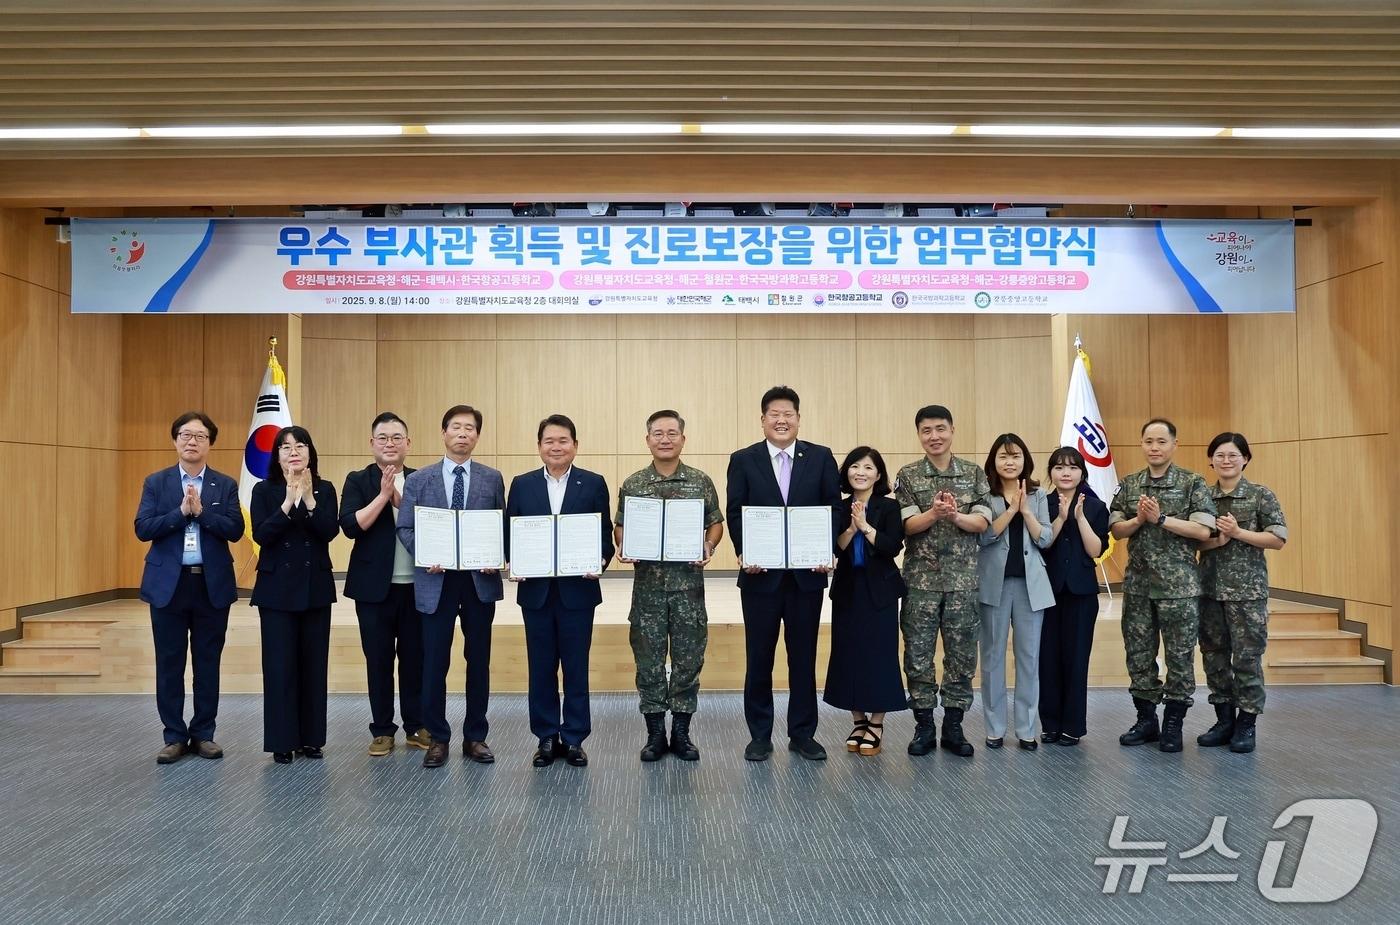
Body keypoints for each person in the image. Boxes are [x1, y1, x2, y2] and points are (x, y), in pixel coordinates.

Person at [725, 385, 840, 762]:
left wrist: (826, 551)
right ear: (762, 421)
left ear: (798, 419)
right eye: (773, 413)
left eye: (788, 413)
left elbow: (833, 510)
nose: (781, 419)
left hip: (807, 577)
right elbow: (736, 511)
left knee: (803, 657)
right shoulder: (744, 459)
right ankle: (759, 735)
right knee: (759, 656)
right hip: (760, 577)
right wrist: (745, 552)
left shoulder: (820, 457)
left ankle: (803, 733)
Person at [396, 405, 506, 769]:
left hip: (479, 581)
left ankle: (476, 735)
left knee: (478, 662)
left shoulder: (492, 479)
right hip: (435, 578)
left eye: (470, 428)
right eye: (456, 427)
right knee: (434, 662)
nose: (463, 433)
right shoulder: (418, 480)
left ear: (477, 436)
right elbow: (405, 528)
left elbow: (500, 527)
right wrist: (425, 554)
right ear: (443, 433)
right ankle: (437, 738)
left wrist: (498, 554)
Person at [134, 412, 245, 764]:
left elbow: (235, 529)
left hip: (210, 584)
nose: (191, 441)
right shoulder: (157, 482)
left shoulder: (224, 485)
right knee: (169, 662)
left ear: (210, 442)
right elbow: (143, 527)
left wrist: (201, 514)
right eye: (185, 434)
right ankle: (173, 736)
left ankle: (203, 734)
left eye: (199, 435)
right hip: (168, 585)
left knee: (207, 661)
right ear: (175, 440)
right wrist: (181, 512)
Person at [505, 414, 615, 768]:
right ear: (539, 447)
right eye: (549, 441)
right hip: (535, 592)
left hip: (577, 592)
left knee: (576, 666)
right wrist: (514, 561)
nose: (556, 446)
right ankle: (546, 737)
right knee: (540, 668)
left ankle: (575, 738)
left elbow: (603, 538)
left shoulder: (593, 483)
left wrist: (598, 559)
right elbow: (512, 533)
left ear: (575, 445)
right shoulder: (521, 485)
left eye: (563, 440)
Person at [615, 410, 724, 762]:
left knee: (688, 661)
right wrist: (623, 544)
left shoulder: (700, 481)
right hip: (647, 591)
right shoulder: (633, 484)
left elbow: (715, 524)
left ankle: (681, 732)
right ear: (647, 439)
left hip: (688, 590)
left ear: (683, 439)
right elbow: (620, 525)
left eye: (672, 433)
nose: (665, 439)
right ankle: (654, 734)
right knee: (648, 662)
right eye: (658, 433)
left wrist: (709, 546)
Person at [1109, 418, 1215, 754]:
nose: (1154, 448)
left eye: (1161, 442)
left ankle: (1173, 722)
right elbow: (1116, 530)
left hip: (1179, 589)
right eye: (1149, 442)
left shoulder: (1192, 483)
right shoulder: (1130, 484)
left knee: (1180, 657)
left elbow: (1204, 531)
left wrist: (1162, 520)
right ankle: (1146, 719)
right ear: (1141, 444)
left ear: (1174, 445)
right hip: (1139, 587)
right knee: (1139, 655)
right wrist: (1139, 520)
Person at [895, 405, 992, 758]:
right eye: (926, 430)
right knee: (918, 656)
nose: (934, 436)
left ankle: (953, 725)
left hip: (963, 583)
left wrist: (956, 516)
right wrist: (934, 514)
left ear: (952, 429)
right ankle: (923, 725)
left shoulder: (974, 473)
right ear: (918, 434)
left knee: (961, 657)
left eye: (940, 428)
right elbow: (906, 526)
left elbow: (983, 524)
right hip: (920, 583)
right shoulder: (907, 476)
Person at [339, 411, 429, 757]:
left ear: (408, 443)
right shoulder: (358, 479)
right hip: (373, 589)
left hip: (417, 587)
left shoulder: (423, 479)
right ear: (371, 443)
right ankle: (381, 730)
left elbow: (429, 526)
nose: (390, 444)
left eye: (397, 438)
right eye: (383, 438)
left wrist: (399, 500)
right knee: (377, 660)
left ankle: (416, 725)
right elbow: (349, 525)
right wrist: (382, 495)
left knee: (414, 659)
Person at [250, 425, 339, 764]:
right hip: (276, 591)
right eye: (285, 447)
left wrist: (310, 500)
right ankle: (282, 740)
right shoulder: (264, 490)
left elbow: (329, 531)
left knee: (314, 666)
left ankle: (312, 738)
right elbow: (262, 535)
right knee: (279, 667)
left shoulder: (326, 489)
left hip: (315, 588)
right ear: (277, 456)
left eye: (300, 445)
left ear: (310, 453)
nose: (293, 451)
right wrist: (288, 502)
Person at [1196, 433, 1287, 754]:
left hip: (1247, 593)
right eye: (1219, 455)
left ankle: (1247, 724)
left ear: (1245, 459)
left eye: (1233, 455)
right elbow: (1192, 542)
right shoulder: (1203, 496)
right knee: (1214, 657)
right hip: (1208, 591)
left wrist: (1238, 533)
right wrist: (1216, 541)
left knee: (1247, 658)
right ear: (1211, 460)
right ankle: (1224, 720)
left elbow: (1277, 538)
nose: (1226, 460)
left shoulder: (1261, 496)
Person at [824, 447, 907, 756]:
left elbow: (891, 546)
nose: (860, 472)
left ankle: (877, 722)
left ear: (878, 474)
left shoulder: (888, 507)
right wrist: (850, 526)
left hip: (880, 591)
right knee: (848, 653)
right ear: (847, 473)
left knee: (880, 655)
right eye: (855, 466)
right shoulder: (840, 507)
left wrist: (867, 527)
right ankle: (858, 720)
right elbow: (836, 546)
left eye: (868, 467)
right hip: (848, 590)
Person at [976, 433, 1054, 751]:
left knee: (1029, 658)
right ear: (994, 461)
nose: (1010, 462)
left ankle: (1026, 728)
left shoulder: (1038, 495)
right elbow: (982, 537)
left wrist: (1027, 512)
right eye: (1004, 456)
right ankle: (994, 728)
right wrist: (1010, 511)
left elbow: (1045, 539)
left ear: (1026, 460)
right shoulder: (984, 494)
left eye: (1016, 456)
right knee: (992, 658)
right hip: (993, 586)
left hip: (1030, 588)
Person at [1039, 446, 1110, 747]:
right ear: (1051, 472)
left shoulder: (1096, 506)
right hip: (1047, 592)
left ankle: (1073, 726)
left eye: (1072, 467)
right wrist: (1061, 517)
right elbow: (1041, 545)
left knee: (1076, 659)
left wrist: (1079, 518)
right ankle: (1050, 724)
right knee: (1048, 659)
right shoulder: (1041, 503)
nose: (1065, 472)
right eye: (1058, 467)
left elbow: (1096, 551)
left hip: (1081, 593)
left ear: (1082, 471)